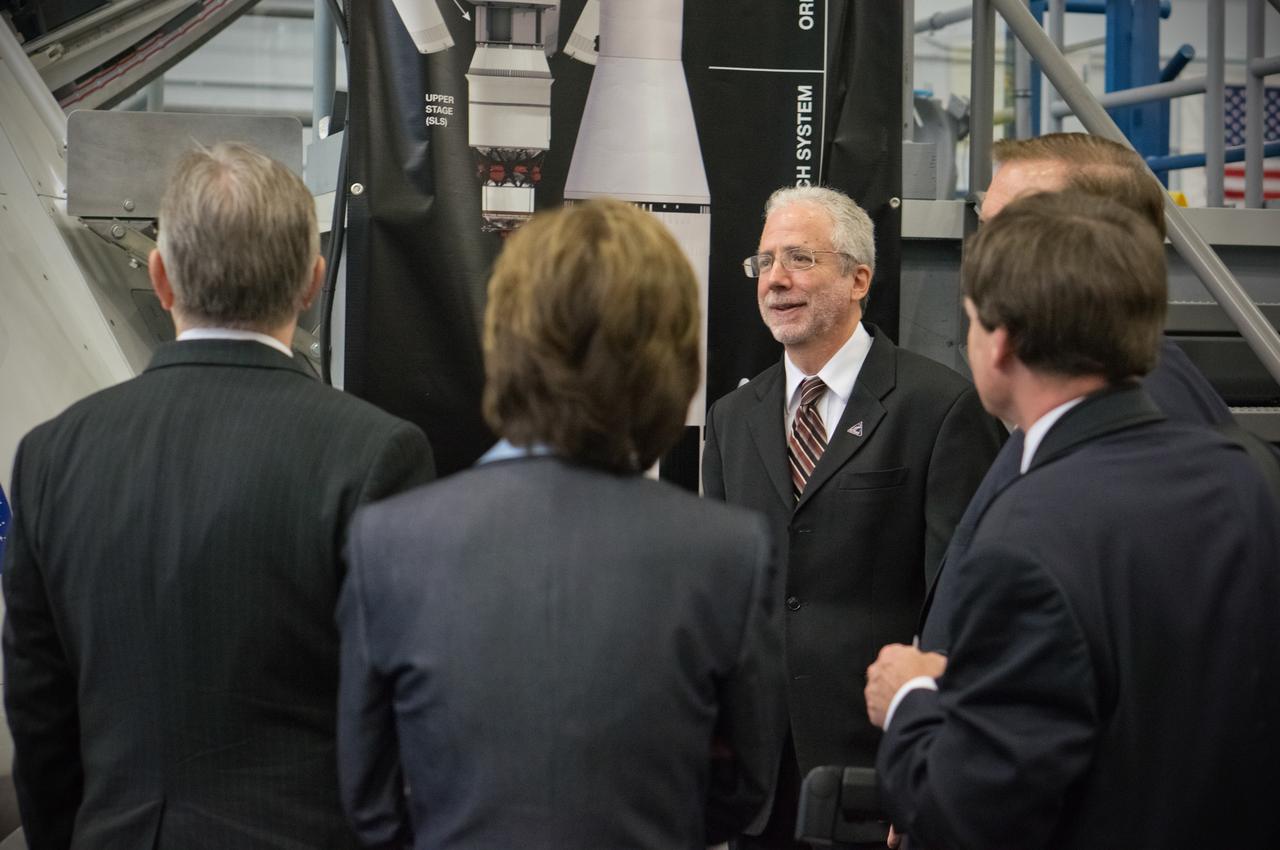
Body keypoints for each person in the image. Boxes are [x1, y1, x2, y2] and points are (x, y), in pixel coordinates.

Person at [2, 142, 435, 849]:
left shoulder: (54, 457)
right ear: (313, 281)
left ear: (161, 277)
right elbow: (403, 718)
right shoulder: (376, 456)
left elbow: (39, 712)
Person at [337, 198, 786, 849]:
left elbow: (370, 799)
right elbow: (744, 794)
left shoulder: (391, 544)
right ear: (671, 356)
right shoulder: (727, 555)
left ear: (505, 337)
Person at [865, 190, 1280, 850]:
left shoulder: (1025, 536)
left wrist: (913, 699)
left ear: (999, 344)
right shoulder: (1246, 473)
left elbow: (967, 815)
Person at [702, 186, 1004, 848]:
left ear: (859, 276)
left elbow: (961, 605)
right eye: (764, 262)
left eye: (800, 258)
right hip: (757, 790)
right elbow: (724, 604)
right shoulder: (730, 420)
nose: (776, 279)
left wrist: (931, 764)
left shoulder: (940, 408)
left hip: (881, 777)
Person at [917, 131, 1234, 650]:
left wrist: (920, 699)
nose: (980, 254)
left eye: (1009, 229)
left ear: (1091, 242)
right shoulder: (1085, 402)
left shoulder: (1148, 432)